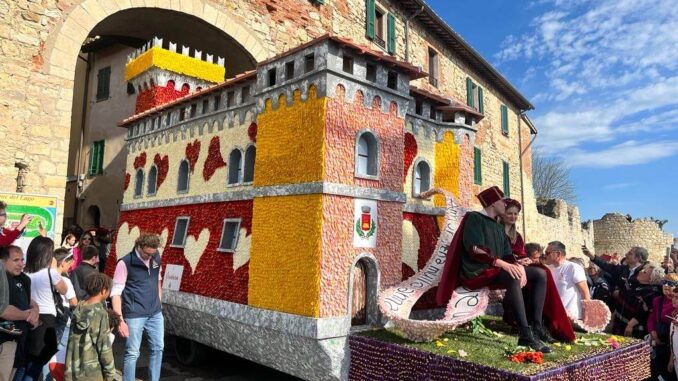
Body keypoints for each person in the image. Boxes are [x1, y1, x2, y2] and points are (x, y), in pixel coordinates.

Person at [436, 186, 574, 353]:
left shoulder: (498, 227)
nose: (505, 204)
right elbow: (474, 249)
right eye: (502, 201)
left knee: (540, 273)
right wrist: (506, 265)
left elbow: (508, 254)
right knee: (512, 276)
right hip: (476, 271)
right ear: (493, 203)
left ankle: (537, 326)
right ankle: (524, 334)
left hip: (494, 270)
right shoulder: (474, 218)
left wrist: (518, 266)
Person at [112, 233, 164, 381]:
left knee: (158, 348)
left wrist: (159, 303)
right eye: (147, 253)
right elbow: (115, 293)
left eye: (153, 253)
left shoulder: (155, 256)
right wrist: (120, 320)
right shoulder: (125, 263)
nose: (150, 257)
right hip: (134, 314)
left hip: (155, 313)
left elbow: (158, 280)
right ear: (139, 246)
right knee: (133, 352)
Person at [23, 237, 68, 381]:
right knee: (38, 361)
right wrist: (54, 267)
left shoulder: (24, 272)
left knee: (28, 359)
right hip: (46, 319)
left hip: (27, 316)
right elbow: (64, 289)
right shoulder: (50, 273)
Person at [64, 273, 115, 381]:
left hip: (72, 369)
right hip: (92, 373)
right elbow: (104, 346)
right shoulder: (100, 314)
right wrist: (110, 372)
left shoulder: (79, 308)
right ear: (103, 291)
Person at [0, 246, 40, 381]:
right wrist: (27, 315)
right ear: (2, 261)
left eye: (22, 260)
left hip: (19, 342)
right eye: (16, 260)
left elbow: (30, 301)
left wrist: (35, 310)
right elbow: (3, 309)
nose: (21, 264)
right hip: (4, 341)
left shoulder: (23, 279)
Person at [543, 241, 591, 320]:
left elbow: (585, 292)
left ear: (558, 254)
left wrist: (586, 316)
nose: (545, 255)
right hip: (554, 316)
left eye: (547, 253)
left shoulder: (573, 267)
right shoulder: (548, 269)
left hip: (572, 317)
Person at [648, 273, 678, 381]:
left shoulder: (676, 303)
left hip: (672, 346)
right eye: (664, 282)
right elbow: (651, 318)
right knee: (657, 373)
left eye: (670, 283)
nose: (666, 285)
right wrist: (653, 333)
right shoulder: (658, 300)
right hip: (659, 342)